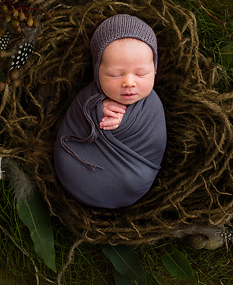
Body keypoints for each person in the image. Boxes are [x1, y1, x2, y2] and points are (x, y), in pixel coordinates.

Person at [54, 14, 167, 209]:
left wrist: (125, 124)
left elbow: (155, 145)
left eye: (141, 74)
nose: (129, 83)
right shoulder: (90, 95)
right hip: (79, 163)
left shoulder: (153, 105)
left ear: (155, 70)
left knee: (134, 180)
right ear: (97, 72)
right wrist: (97, 110)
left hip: (130, 175)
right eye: (115, 74)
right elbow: (76, 121)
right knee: (67, 159)